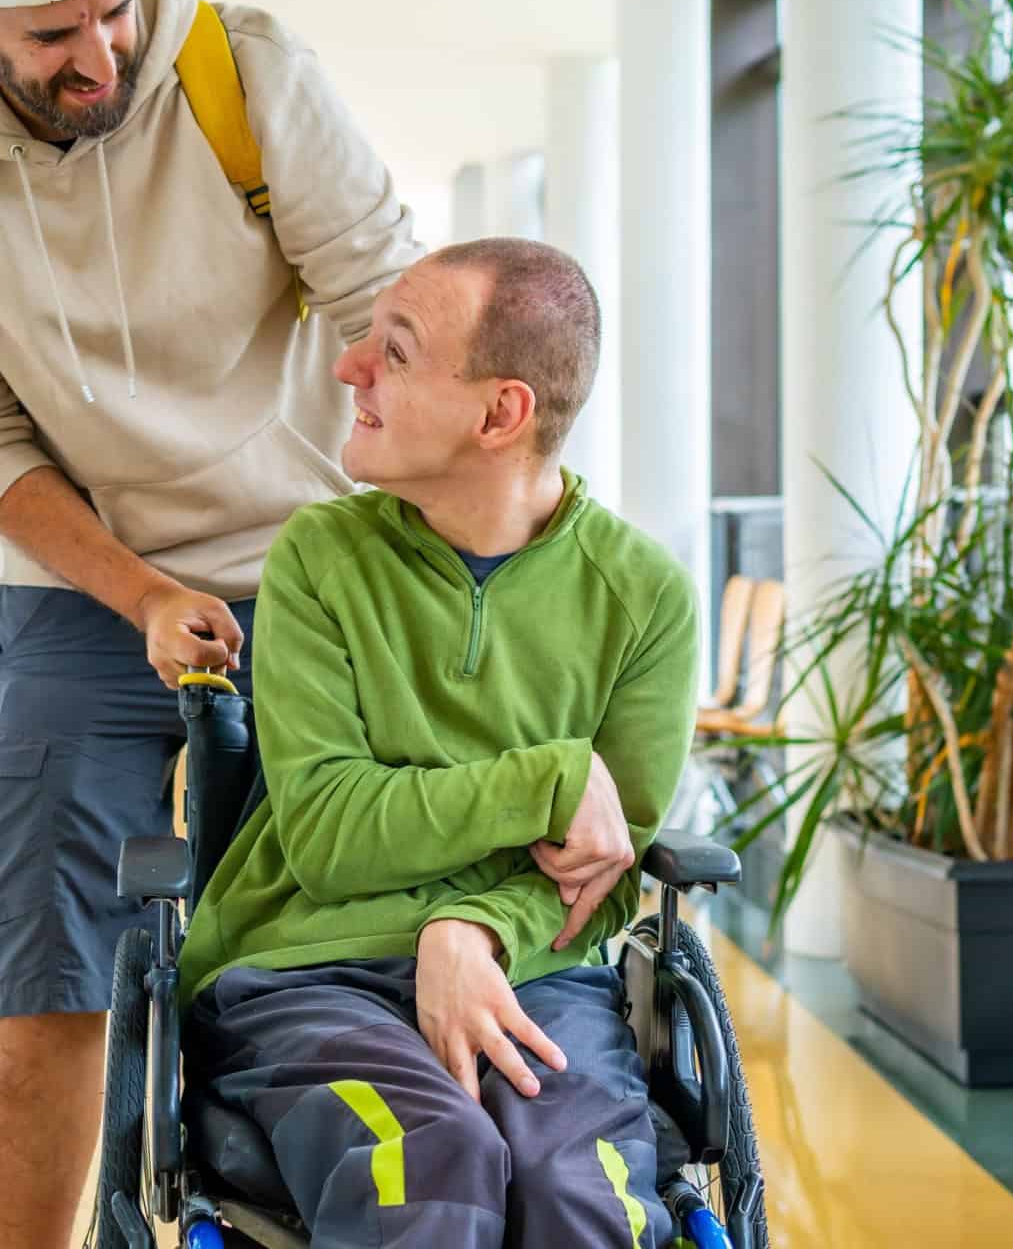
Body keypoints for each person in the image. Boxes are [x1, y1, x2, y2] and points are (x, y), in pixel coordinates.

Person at [0, 0, 420, 1246]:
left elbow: (391, 310)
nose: (98, 52)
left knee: (339, 947)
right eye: (51, 34)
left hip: (311, 570)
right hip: (79, 587)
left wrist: (435, 555)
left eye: (113, 9)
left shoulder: (245, 76)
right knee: (40, 983)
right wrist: (141, 590)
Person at [178, 238, 697, 1248]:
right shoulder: (323, 558)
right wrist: (549, 779)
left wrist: (469, 932)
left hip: (533, 973)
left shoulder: (642, 597)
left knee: (575, 1190)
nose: (349, 368)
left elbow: (599, 870)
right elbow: (328, 834)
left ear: (499, 413)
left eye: (396, 353)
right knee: (424, 1159)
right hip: (306, 974)